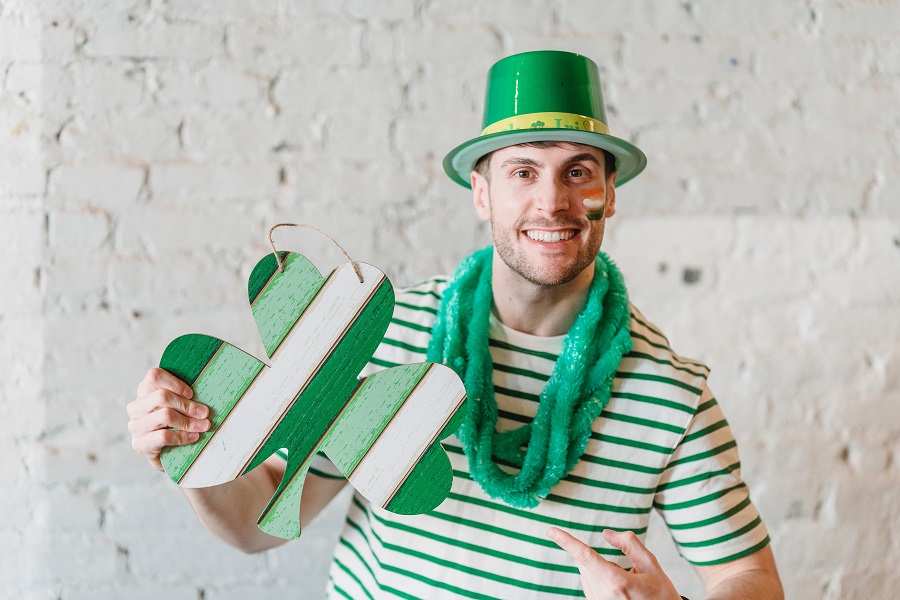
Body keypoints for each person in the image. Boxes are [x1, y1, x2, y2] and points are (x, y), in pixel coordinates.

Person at [127, 50, 783, 599]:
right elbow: (258, 523)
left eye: (577, 173)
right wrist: (186, 450)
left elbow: (750, 575)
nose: (550, 201)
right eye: (522, 171)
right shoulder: (379, 335)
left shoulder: (670, 395)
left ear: (608, 193)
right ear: (481, 193)